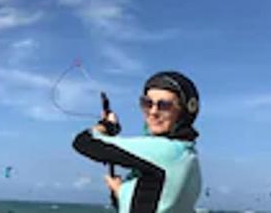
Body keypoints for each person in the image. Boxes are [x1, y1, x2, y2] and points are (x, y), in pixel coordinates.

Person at [72, 71, 202, 213]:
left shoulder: (167, 152)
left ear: (186, 110)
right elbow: (153, 201)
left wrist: (108, 126)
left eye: (164, 105)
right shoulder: (188, 157)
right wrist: (121, 192)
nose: (153, 112)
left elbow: (84, 141)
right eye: (147, 103)